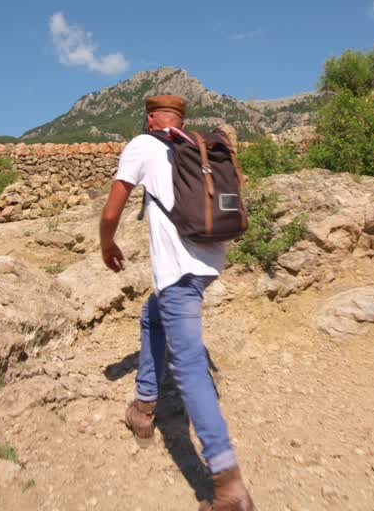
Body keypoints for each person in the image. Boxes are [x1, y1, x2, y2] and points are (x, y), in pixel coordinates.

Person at [99, 94, 256, 511]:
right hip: (208, 262)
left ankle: (228, 487)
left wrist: (106, 243)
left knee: (188, 365)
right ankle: (144, 408)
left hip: (179, 274)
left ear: (150, 118)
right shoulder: (191, 147)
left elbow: (113, 208)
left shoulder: (143, 145)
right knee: (153, 316)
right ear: (180, 120)